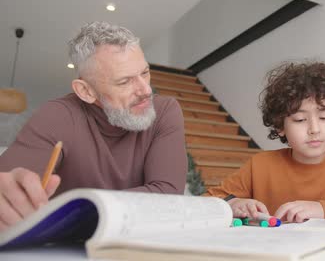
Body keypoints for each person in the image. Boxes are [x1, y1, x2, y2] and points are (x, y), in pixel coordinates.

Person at [0, 22, 187, 231]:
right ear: (86, 91)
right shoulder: (58, 115)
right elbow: (8, 182)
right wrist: (8, 195)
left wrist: (76, 210)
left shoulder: (165, 111)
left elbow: (167, 195)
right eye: (124, 82)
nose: (146, 90)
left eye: (145, 73)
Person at [206, 62, 325, 223]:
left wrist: (323, 209)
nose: (314, 129)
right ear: (280, 126)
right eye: (300, 120)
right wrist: (232, 204)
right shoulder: (260, 166)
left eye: (324, 117)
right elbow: (206, 202)